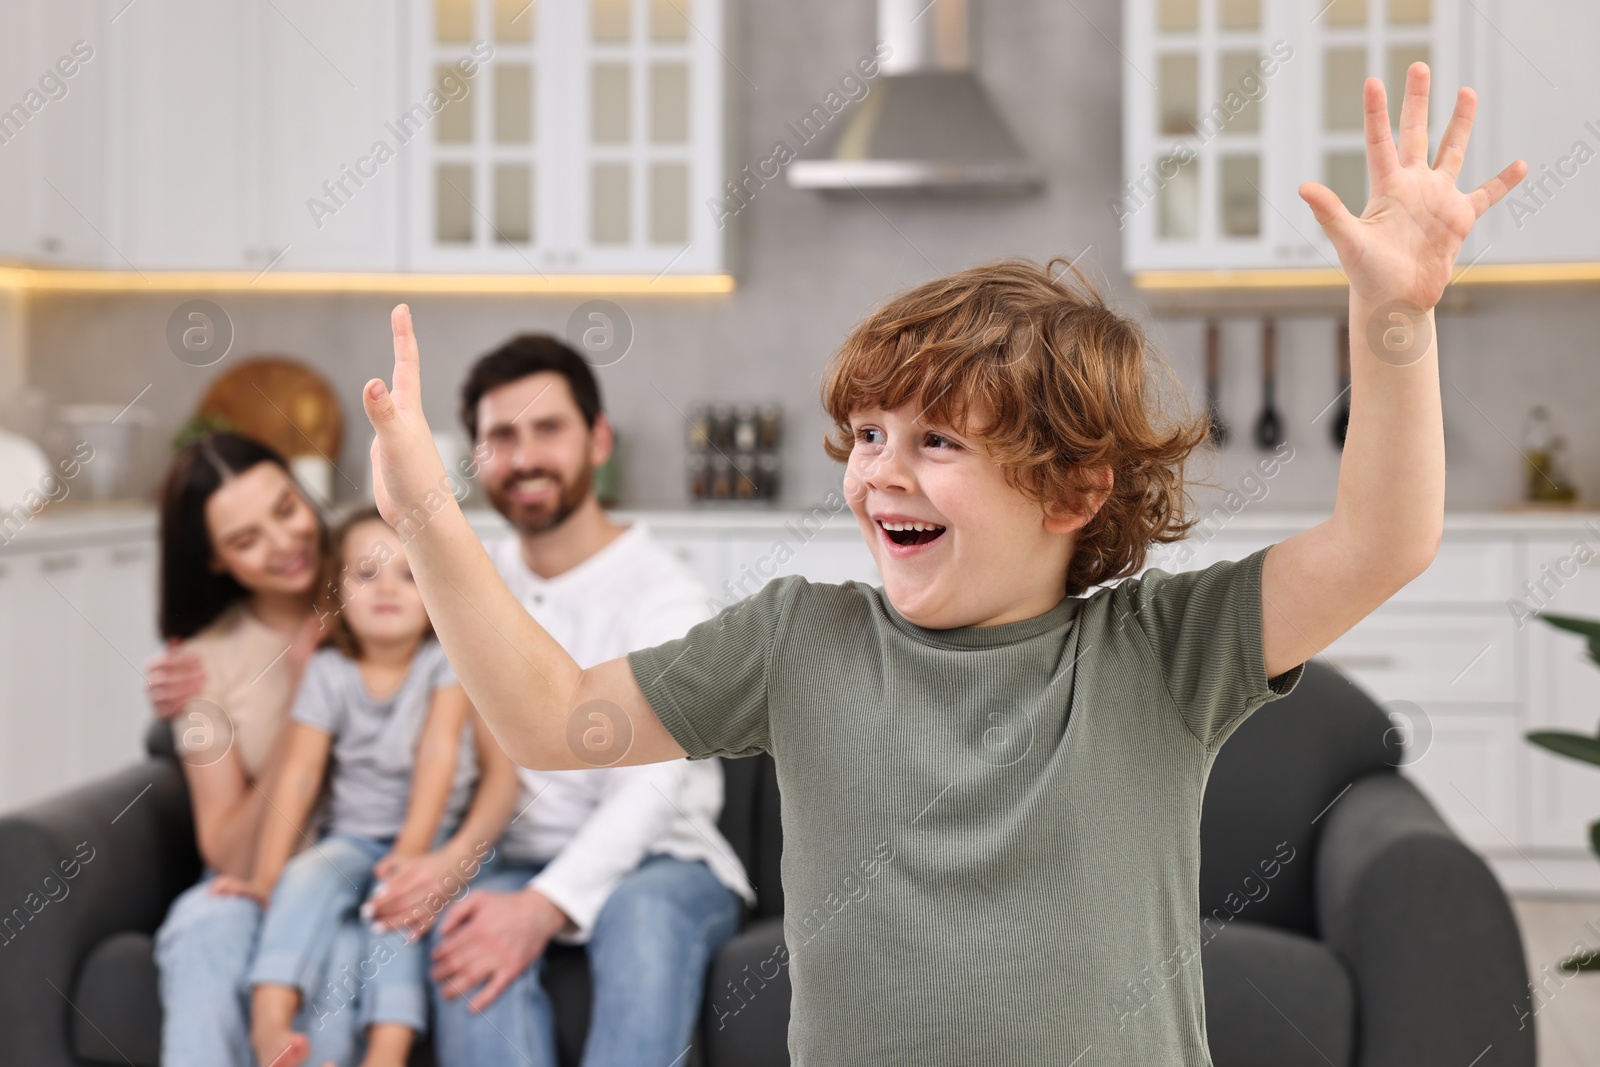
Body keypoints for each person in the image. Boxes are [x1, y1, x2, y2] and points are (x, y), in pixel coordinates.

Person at [358, 65, 1527, 1064]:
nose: (880, 472)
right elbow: (554, 718)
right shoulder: (796, 639)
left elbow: (1383, 540)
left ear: (1073, 489)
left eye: (937, 441)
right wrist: (424, 514)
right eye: (867, 434)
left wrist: (1393, 320)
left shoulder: (1160, 652)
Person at [362, 335, 752, 1066]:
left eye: (549, 429)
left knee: (640, 917)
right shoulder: (468, 576)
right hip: (513, 856)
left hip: (663, 858)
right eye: (501, 436)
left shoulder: (666, 590)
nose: (525, 457)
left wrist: (544, 906)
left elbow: (655, 782)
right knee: (464, 936)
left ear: (598, 439)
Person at [214, 506, 518, 1067]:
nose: (388, 591)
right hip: (352, 838)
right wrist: (264, 876)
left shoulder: (445, 662)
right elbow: (299, 775)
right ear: (336, 591)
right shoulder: (328, 671)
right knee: (303, 879)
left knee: (393, 905)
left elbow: (439, 751)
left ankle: (386, 1052)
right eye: (366, 573)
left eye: (410, 576)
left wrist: (411, 849)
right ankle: (270, 1025)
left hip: (434, 838)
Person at [148, 433, 367, 1067]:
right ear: (213, 561)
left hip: (359, 874)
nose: (284, 543)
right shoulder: (202, 669)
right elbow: (229, 854)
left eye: (287, 509)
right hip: (255, 880)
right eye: (245, 541)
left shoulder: (389, 589)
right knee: (202, 925)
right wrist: (305, 694)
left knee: (338, 948)